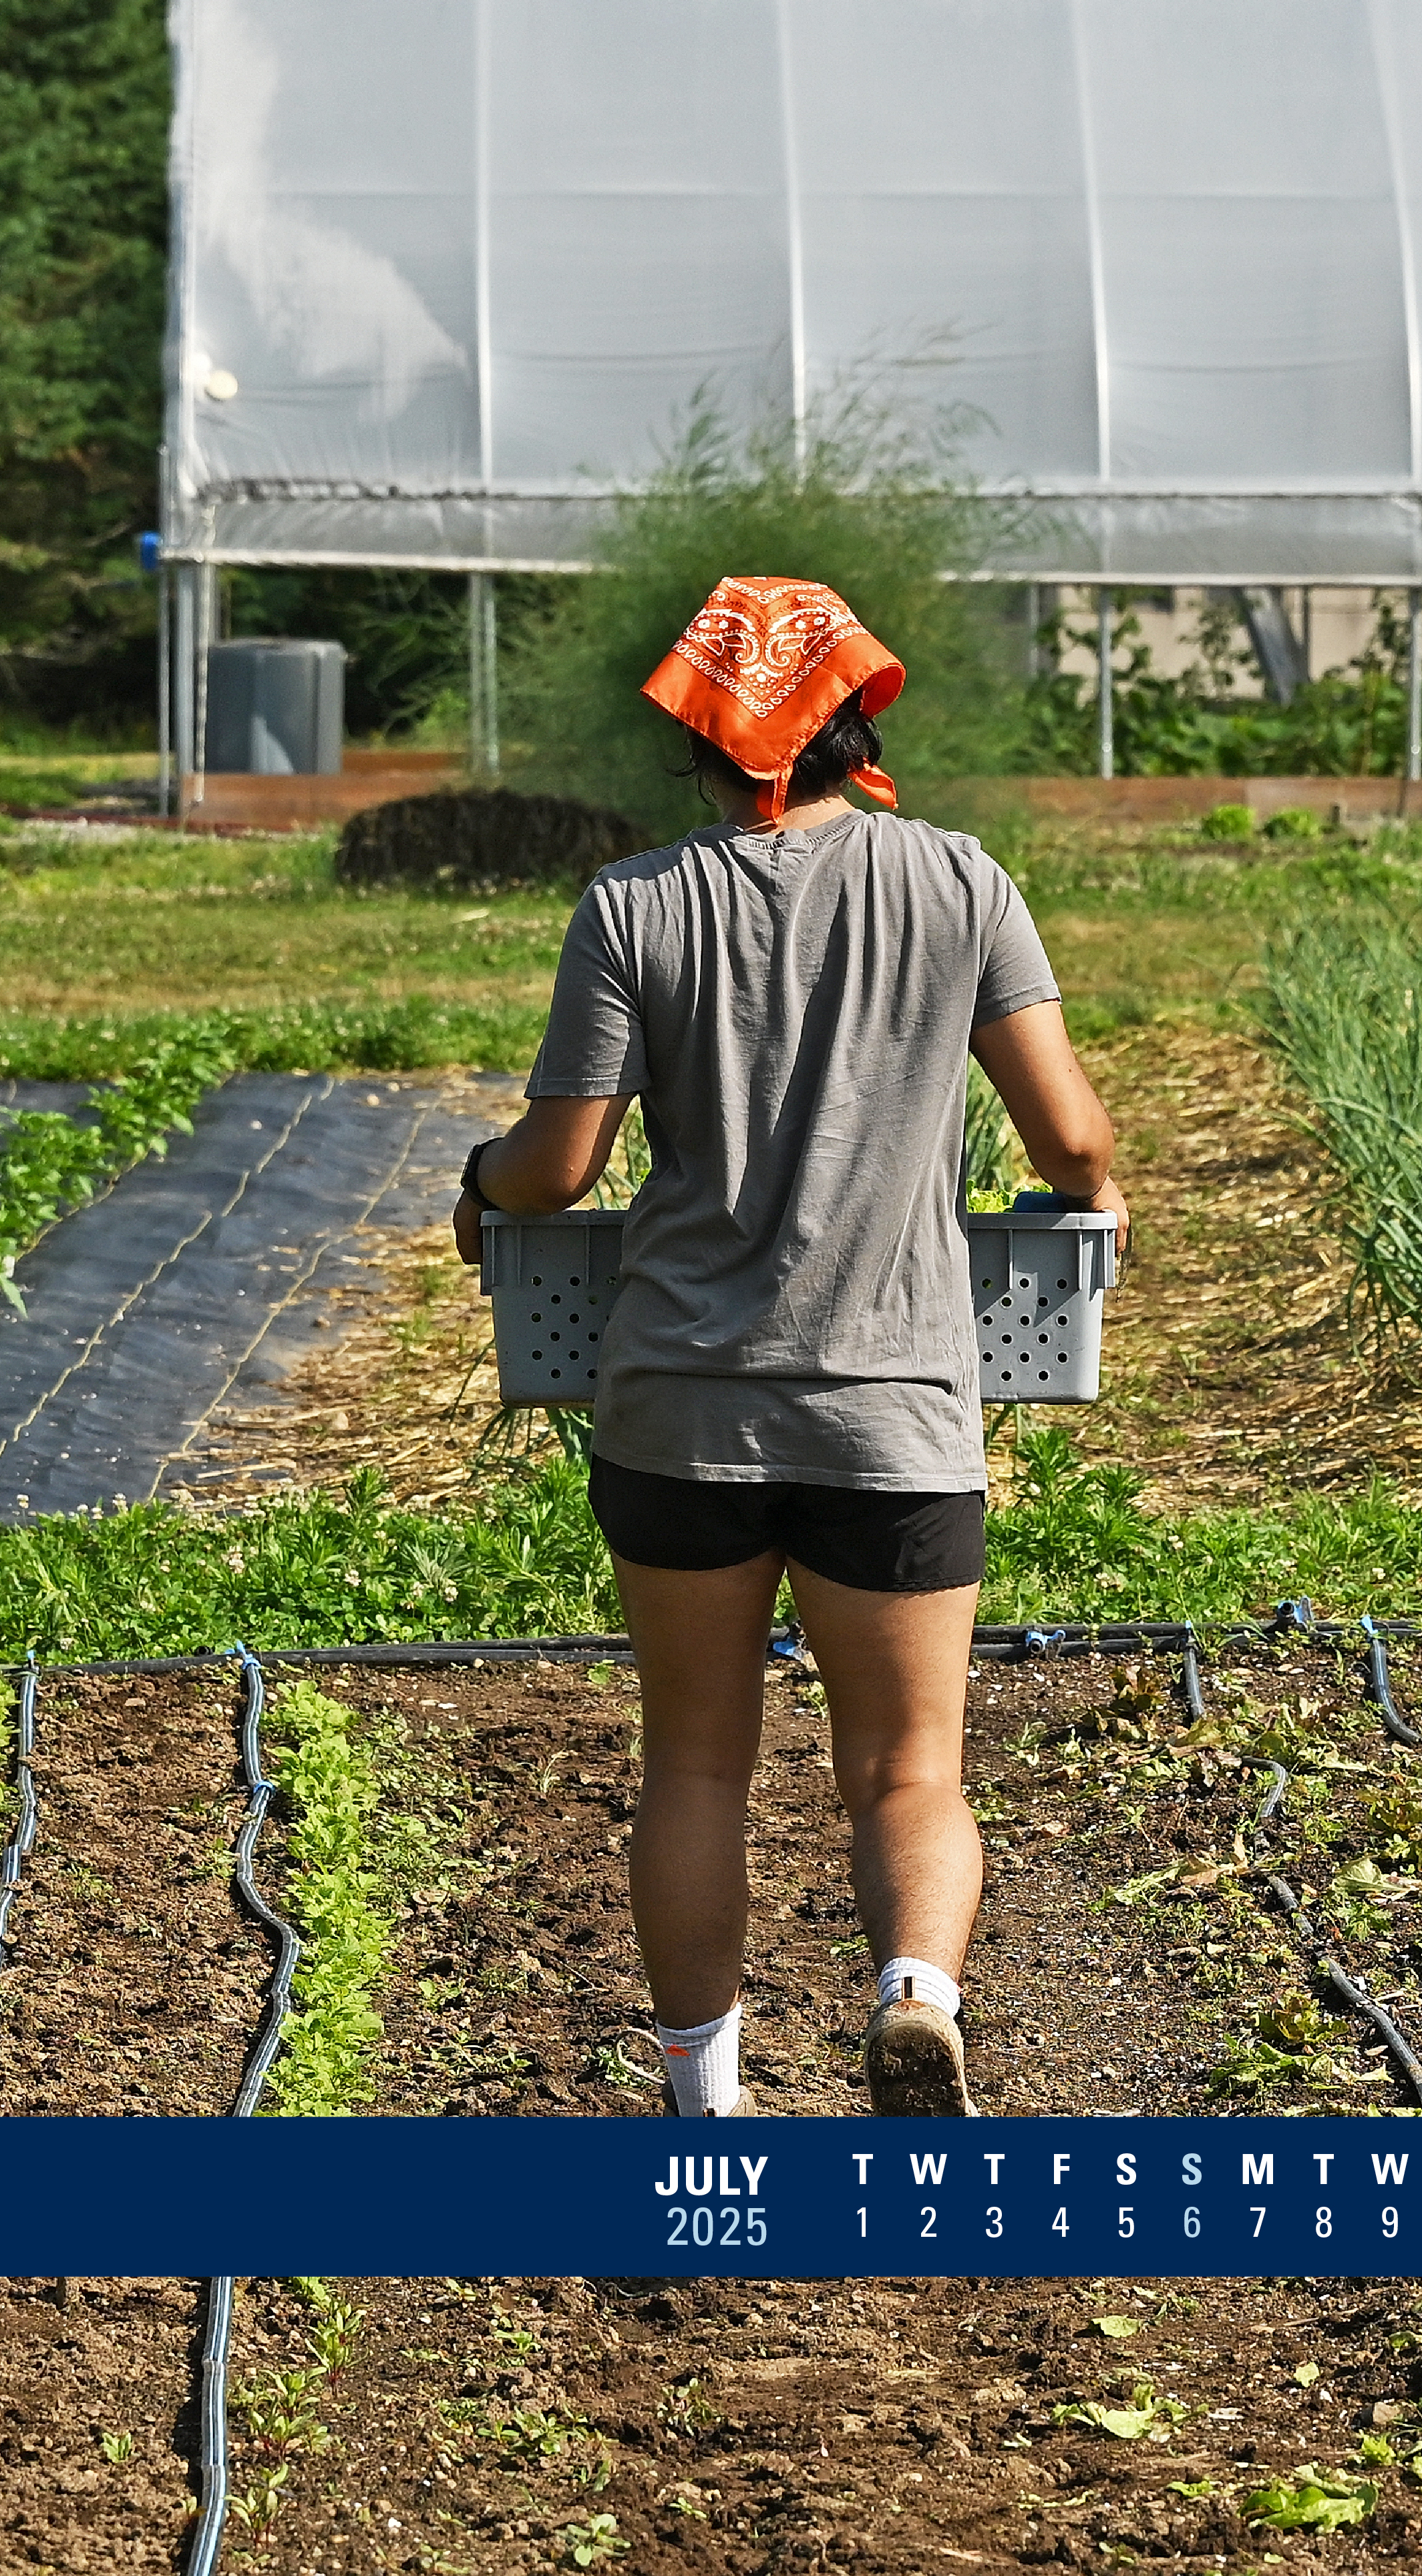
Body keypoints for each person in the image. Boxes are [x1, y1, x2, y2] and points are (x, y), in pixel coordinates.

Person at [454, 576, 1121, 2118]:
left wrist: (474, 1182)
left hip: (675, 1410)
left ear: (700, 733)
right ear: (855, 720)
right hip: (888, 1409)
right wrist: (1093, 1189)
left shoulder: (633, 904)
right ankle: (913, 1992)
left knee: (693, 1762)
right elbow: (1068, 1130)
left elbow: (554, 1171)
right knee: (909, 1767)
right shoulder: (956, 883)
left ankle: (704, 2094)